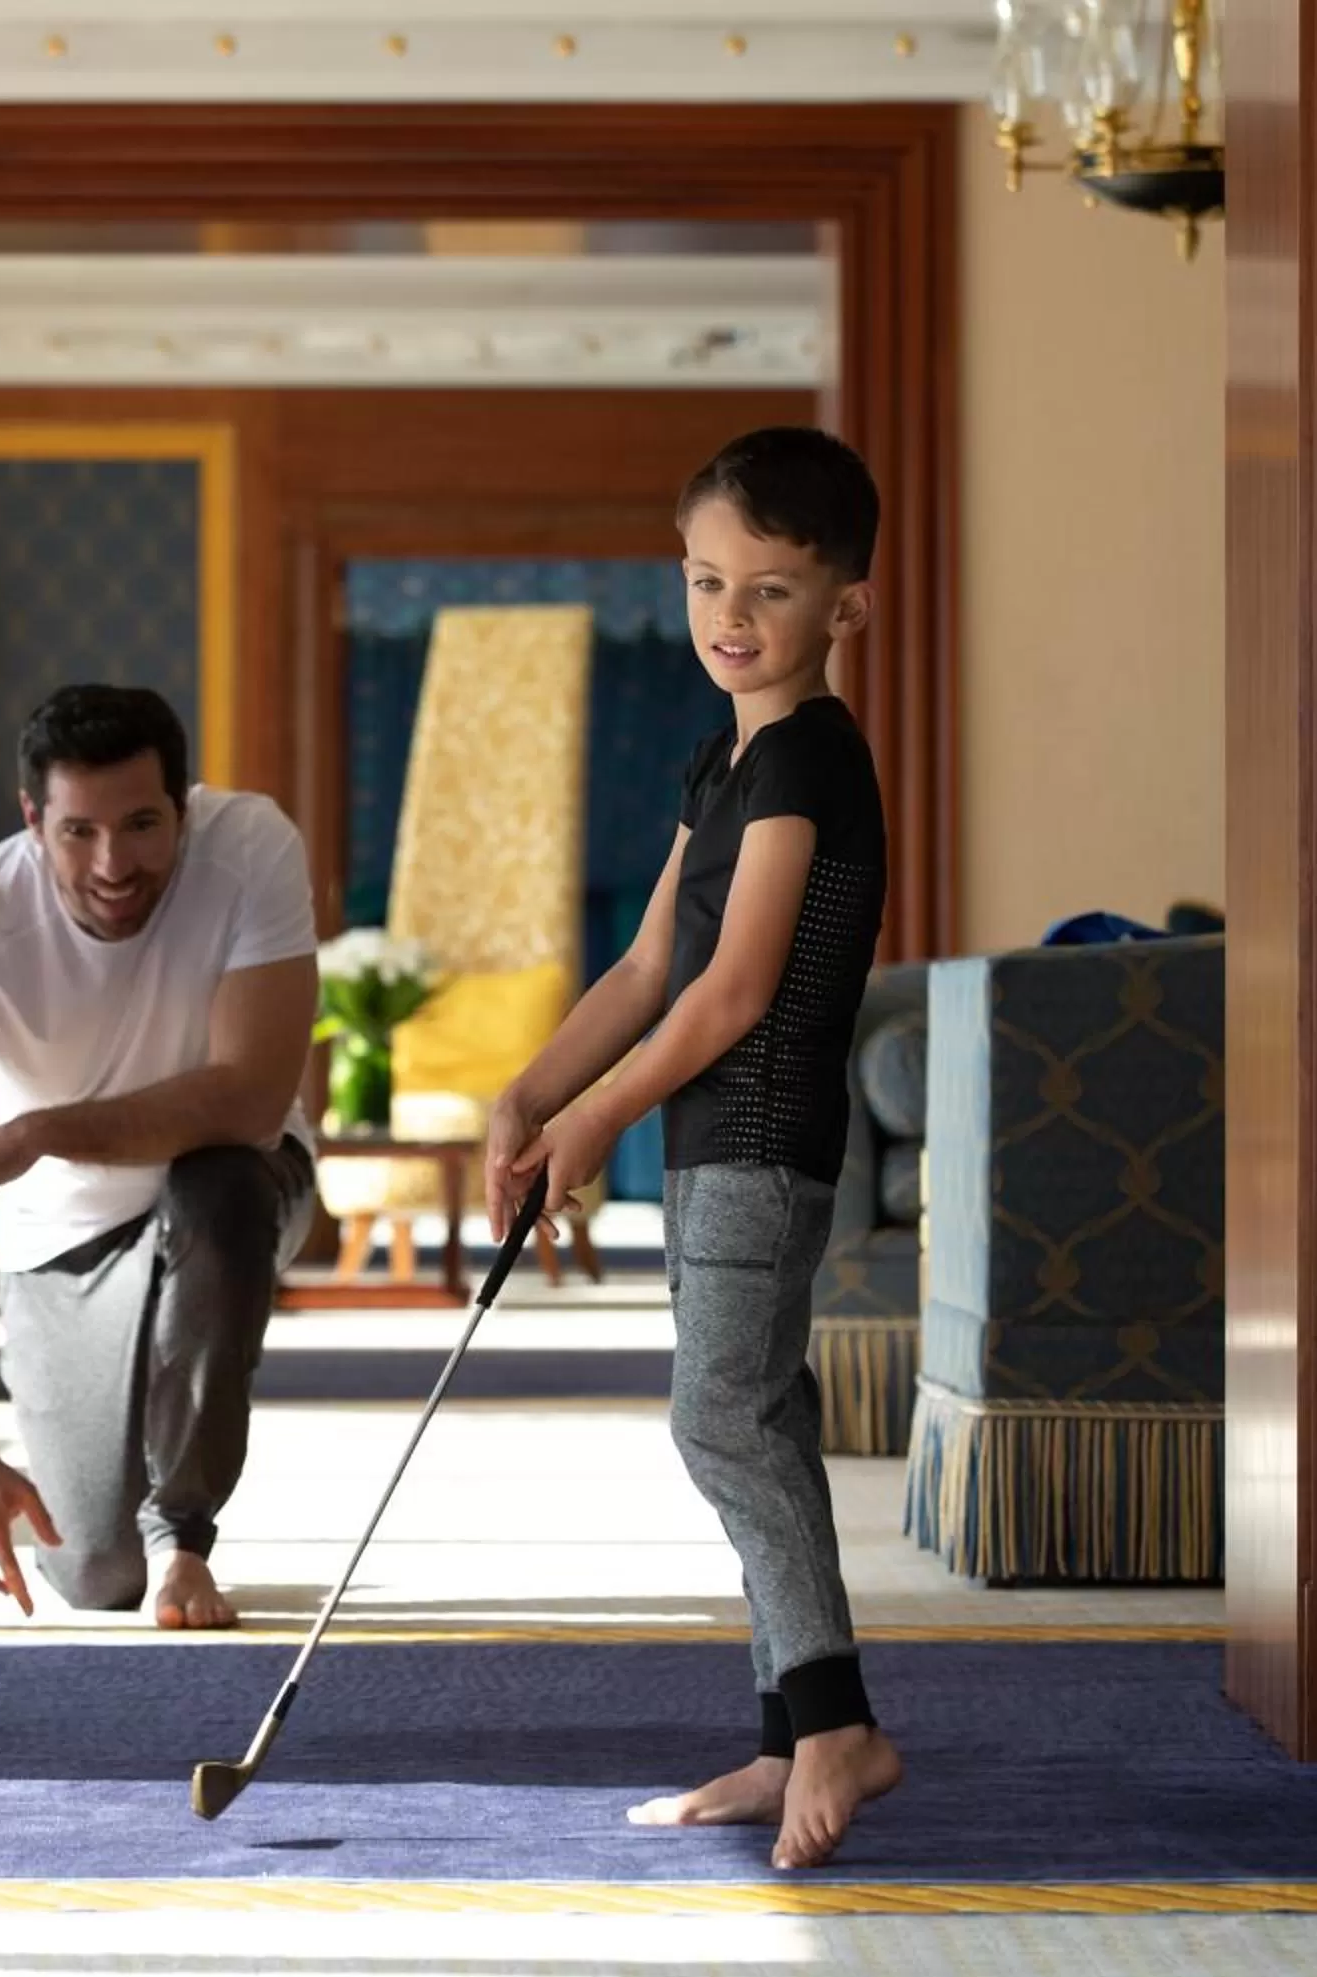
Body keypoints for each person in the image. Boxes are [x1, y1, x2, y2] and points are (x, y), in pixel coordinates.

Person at [487, 426, 900, 1871]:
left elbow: (735, 992)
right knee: (755, 1417)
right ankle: (791, 1734)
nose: (732, 616)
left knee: (718, 1418)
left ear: (843, 607)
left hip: (765, 1134)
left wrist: (600, 1120)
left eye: (773, 590)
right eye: (709, 580)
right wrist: (532, 1092)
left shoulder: (810, 765)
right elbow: (650, 964)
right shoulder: (722, 765)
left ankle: (836, 1721)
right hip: (713, 1138)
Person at [0, 684, 320, 1633]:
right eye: (79, 832)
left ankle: (183, 1538)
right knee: (92, 1573)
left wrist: (35, 1131)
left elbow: (251, 1095)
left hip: (240, 1181)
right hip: (60, 1239)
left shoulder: (250, 846)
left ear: (185, 807)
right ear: (32, 819)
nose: (114, 863)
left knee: (219, 1185)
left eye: (142, 824)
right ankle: (136, 1552)